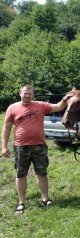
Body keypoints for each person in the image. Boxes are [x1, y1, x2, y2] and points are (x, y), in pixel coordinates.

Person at [1, 84, 73, 214]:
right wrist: (4, 147)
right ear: (20, 93)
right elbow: (6, 128)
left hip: (39, 145)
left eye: (30, 93)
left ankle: (45, 199)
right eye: (25, 93)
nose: (27, 95)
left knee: (42, 172)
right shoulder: (12, 108)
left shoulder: (40, 105)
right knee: (20, 173)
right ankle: (21, 202)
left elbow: (58, 107)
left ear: (33, 95)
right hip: (20, 146)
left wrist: (65, 99)